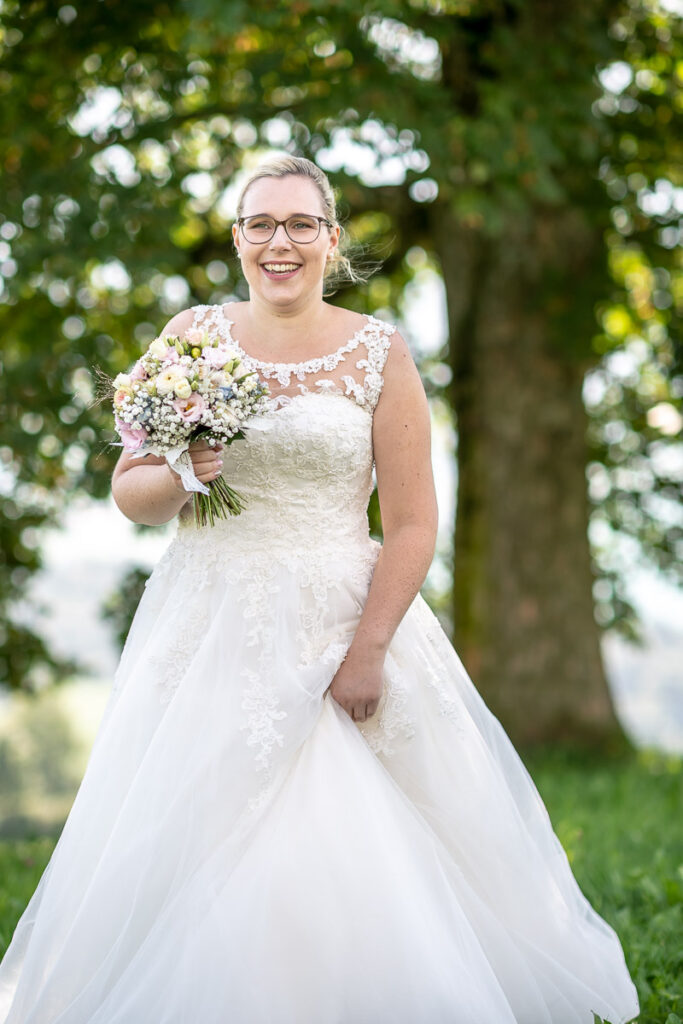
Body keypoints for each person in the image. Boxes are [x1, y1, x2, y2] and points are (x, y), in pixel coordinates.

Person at [0, 156, 640, 1024]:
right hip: (209, 617)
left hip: (344, 614)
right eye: (260, 223)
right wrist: (185, 472)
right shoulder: (191, 338)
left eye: (301, 224)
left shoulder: (379, 352)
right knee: (201, 826)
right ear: (236, 240)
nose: (280, 241)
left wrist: (368, 647)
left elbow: (412, 522)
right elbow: (131, 494)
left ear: (331, 241)